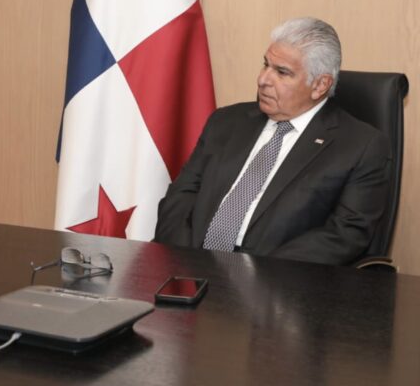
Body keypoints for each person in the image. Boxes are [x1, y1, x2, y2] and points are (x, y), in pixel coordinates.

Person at [154, 17, 390, 265]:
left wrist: (254, 274)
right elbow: (181, 196)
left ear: (320, 85)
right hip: (189, 265)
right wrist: (185, 261)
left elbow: (345, 234)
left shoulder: (360, 146)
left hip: (276, 282)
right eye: (266, 65)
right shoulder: (226, 121)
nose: (263, 79)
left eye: (282, 72)